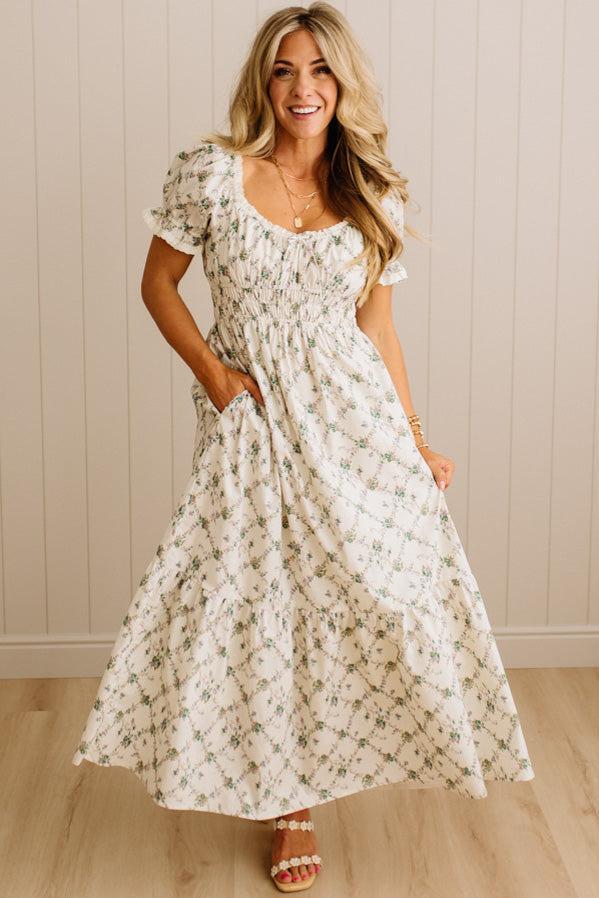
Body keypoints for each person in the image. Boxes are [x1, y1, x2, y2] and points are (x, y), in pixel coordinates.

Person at [71, 2, 535, 893]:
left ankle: (337, 766)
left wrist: (415, 437)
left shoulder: (373, 192)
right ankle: (287, 806)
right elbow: (158, 285)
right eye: (284, 70)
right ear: (263, 81)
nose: (302, 88)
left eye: (319, 70)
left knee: (370, 590)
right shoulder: (209, 175)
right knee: (261, 599)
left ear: (342, 83)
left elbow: (379, 330)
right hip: (250, 417)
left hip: (352, 419)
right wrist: (214, 376)